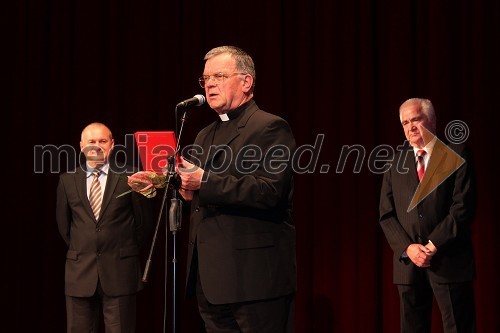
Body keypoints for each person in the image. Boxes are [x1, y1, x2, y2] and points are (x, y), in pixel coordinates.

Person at [129, 46, 297, 332]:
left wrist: (203, 181)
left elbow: (269, 191)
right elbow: (195, 197)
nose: (209, 84)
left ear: (246, 82)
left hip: (254, 280)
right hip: (210, 281)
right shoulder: (205, 134)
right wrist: (165, 185)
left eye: (219, 76)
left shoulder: (270, 127)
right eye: (205, 78)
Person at [379, 98, 476, 332]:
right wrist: (409, 248)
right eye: (405, 122)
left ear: (431, 121)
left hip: (448, 259)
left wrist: (432, 246)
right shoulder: (395, 162)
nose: (410, 126)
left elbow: (462, 207)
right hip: (409, 265)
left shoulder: (457, 154)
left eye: (416, 119)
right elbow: (386, 214)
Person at [56, 122, 153, 333]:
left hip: (120, 271)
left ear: (112, 144)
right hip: (80, 273)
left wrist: (123, 250)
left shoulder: (132, 176)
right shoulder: (67, 180)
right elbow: (64, 226)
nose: (97, 146)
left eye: (102, 141)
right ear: (81, 146)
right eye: (91, 141)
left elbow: (143, 224)